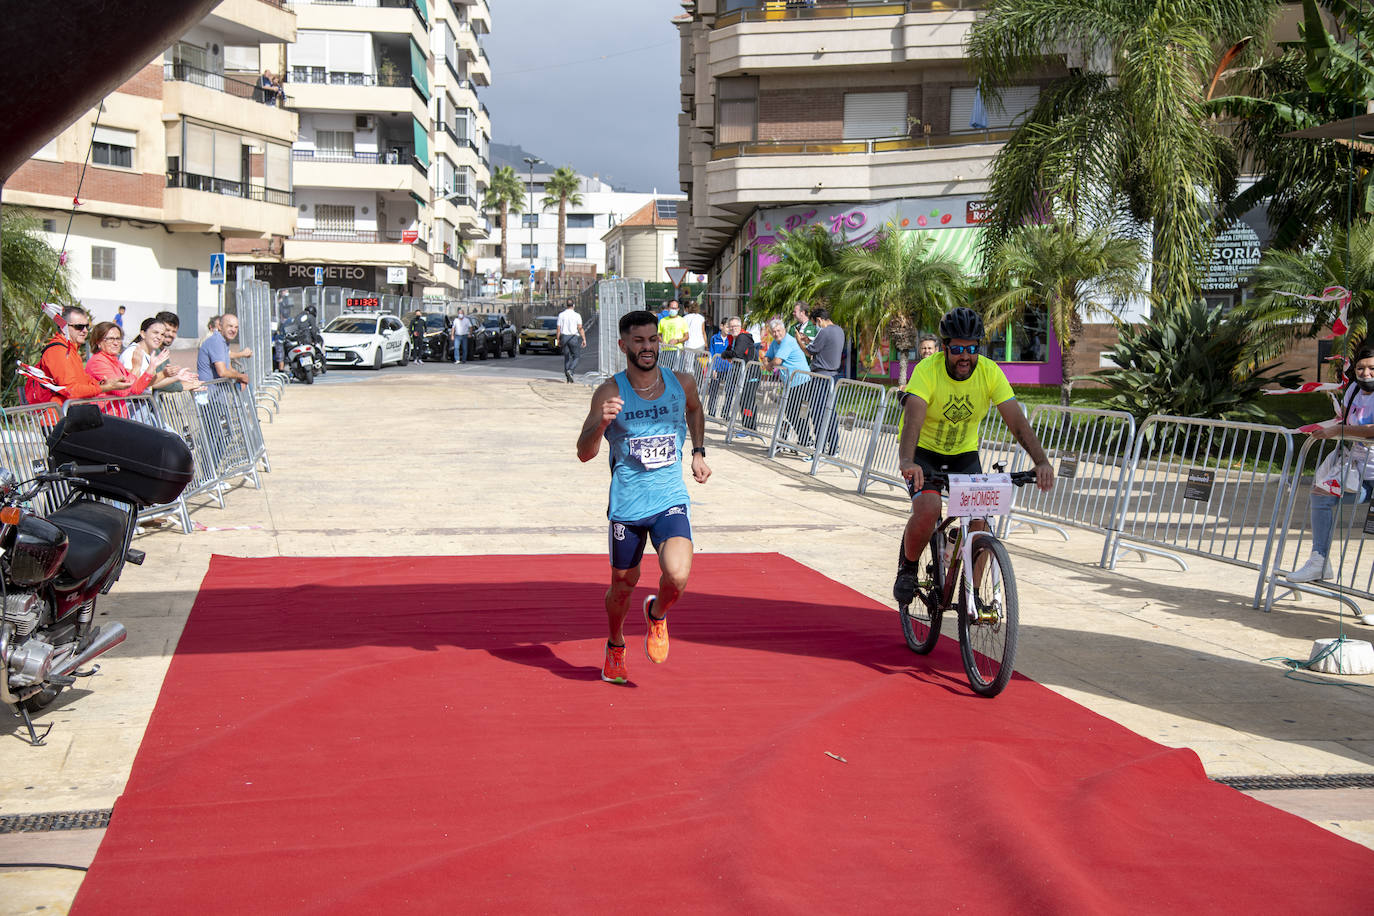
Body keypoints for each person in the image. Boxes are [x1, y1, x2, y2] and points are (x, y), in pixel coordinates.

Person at [576, 310, 711, 685]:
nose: (648, 347)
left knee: (678, 574)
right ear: (623, 345)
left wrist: (698, 452)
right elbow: (584, 452)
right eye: (638, 341)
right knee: (623, 583)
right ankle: (616, 644)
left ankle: (657, 613)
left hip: (670, 496)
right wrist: (601, 423)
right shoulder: (609, 391)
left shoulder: (681, 383)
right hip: (628, 505)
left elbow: (695, 410)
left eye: (652, 339)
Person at [892, 307, 1054, 608]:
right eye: (957, 349)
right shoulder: (928, 370)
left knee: (980, 521)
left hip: (963, 454)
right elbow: (913, 418)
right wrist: (907, 461)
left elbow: (1017, 422)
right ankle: (908, 568)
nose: (964, 356)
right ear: (945, 348)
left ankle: (973, 596)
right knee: (928, 509)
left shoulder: (990, 372)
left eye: (971, 348)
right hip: (923, 451)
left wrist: (1041, 461)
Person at [1288, 346, 1374, 584]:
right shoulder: (1354, 389)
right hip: (1358, 470)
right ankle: (1319, 562)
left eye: (1372, 368)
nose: (1365, 373)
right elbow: (1344, 419)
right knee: (1321, 494)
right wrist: (1333, 428)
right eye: (1360, 368)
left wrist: (1339, 430)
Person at [38, 306, 126, 404]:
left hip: (67, 413)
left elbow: (81, 381)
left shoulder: (71, 350)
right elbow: (71, 390)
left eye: (86, 326)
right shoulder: (58, 351)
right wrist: (104, 388)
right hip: (57, 416)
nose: (85, 331)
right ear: (63, 328)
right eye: (79, 327)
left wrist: (100, 384)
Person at [764, 316, 812, 446]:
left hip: (801, 381)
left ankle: (807, 440)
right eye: (774, 331)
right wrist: (766, 361)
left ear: (784, 330)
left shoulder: (788, 341)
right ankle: (805, 439)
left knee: (798, 413)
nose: (776, 333)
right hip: (790, 383)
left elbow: (777, 361)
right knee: (791, 413)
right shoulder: (775, 342)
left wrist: (769, 365)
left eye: (779, 330)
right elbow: (768, 356)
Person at [802, 307, 845, 454]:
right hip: (832, 376)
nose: (816, 327)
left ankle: (819, 447)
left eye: (815, 324)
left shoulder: (825, 331)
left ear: (819, 320)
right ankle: (833, 447)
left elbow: (809, 351)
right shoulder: (839, 330)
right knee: (830, 412)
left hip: (821, 377)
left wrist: (799, 341)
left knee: (818, 413)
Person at [85, 322, 156, 411]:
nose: (116, 343)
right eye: (110, 339)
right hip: (104, 417)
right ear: (98, 342)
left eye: (118, 339)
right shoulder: (97, 362)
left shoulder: (115, 361)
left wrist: (151, 369)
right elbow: (122, 390)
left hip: (118, 416)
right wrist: (136, 367)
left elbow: (135, 389)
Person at [198, 313, 251, 385]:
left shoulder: (223, 341)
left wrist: (242, 377)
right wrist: (241, 377)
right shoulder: (216, 341)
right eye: (230, 326)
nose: (233, 330)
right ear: (220, 326)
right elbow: (222, 372)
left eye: (236, 327)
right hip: (209, 392)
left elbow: (228, 368)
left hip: (219, 392)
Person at [707, 316, 740, 414]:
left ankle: (725, 412)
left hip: (729, 369)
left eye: (730, 327)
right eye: (727, 327)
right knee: (713, 391)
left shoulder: (732, 339)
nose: (729, 329)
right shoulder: (714, 338)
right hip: (717, 369)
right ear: (721, 326)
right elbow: (711, 354)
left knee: (729, 391)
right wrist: (712, 369)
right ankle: (711, 411)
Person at [556, 301, 586, 383]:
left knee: (567, 358)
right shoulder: (577, 315)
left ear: (566, 306)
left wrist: (558, 340)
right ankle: (571, 371)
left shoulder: (561, 315)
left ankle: (568, 378)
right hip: (573, 337)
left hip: (564, 337)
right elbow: (580, 328)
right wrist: (584, 339)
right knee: (576, 356)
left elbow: (558, 328)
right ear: (573, 305)